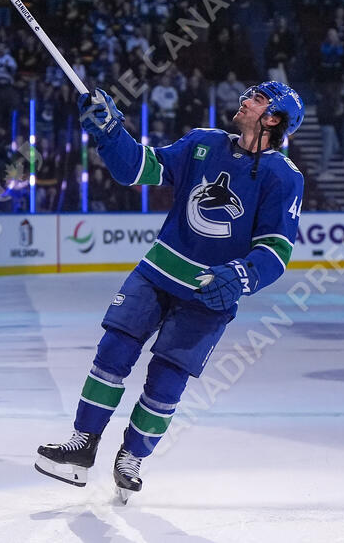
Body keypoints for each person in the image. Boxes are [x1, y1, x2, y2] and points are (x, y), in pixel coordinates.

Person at [35, 81, 305, 503]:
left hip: (209, 294)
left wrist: (241, 276)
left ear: (274, 118)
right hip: (157, 274)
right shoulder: (203, 143)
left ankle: (131, 457)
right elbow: (139, 169)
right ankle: (82, 444)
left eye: (256, 99)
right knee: (113, 353)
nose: (243, 99)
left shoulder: (283, 177)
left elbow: (275, 249)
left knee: (166, 381)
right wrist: (110, 133)